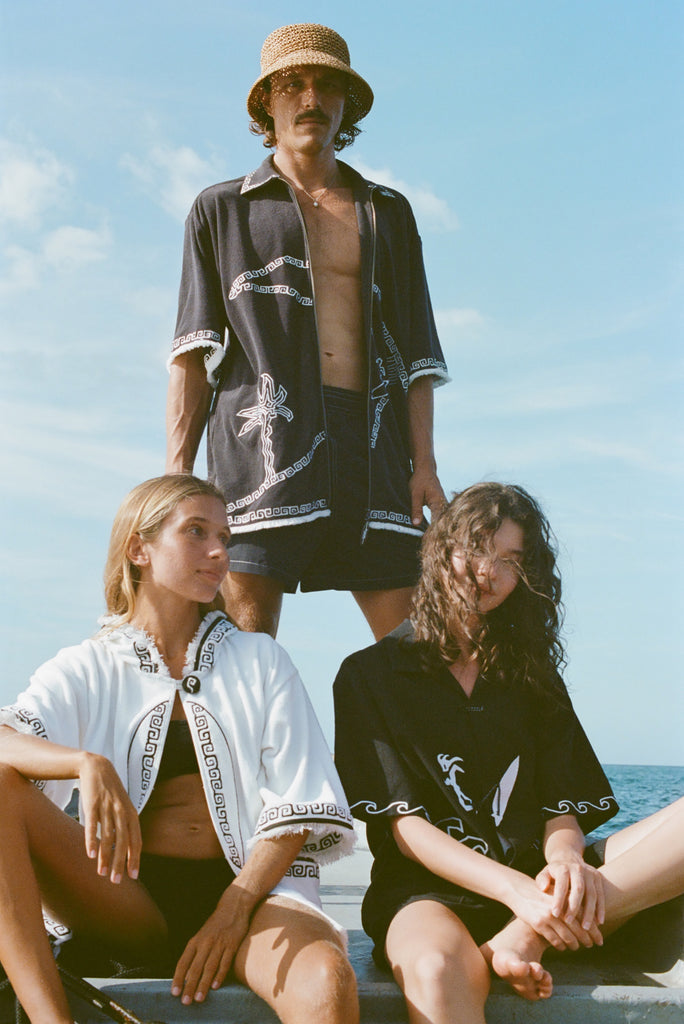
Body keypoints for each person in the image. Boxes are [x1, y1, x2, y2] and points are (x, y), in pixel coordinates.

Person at [0, 475, 359, 1024]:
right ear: (138, 549)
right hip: (126, 899)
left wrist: (233, 909)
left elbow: (300, 800)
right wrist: (82, 761)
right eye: (196, 532)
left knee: (325, 983)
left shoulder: (260, 660)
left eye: (224, 536)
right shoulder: (89, 666)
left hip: (254, 895)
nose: (219, 551)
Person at [333, 482, 684, 1024]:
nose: (487, 573)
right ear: (440, 550)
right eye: (475, 550)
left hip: (541, 884)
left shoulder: (532, 673)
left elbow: (559, 805)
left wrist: (565, 862)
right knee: (433, 970)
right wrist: (517, 890)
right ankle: (534, 926)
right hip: (429, 893)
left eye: (509, 560)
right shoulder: (369, 674)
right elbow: (406, 829)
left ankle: (523, 939)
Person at [166, 22, 449, 640]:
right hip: (259, 443)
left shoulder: (388, 212)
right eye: (293, 84)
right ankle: (246, 742)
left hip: (375, 447)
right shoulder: (222, 209)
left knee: (415, 648)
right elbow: (191, 352)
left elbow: (420, 353)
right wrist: (177, 479)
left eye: (326, 85)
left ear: (347, 103)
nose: (310, 98)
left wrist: (424, 462)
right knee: (244, 642)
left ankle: (395, 742)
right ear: (267, 101)